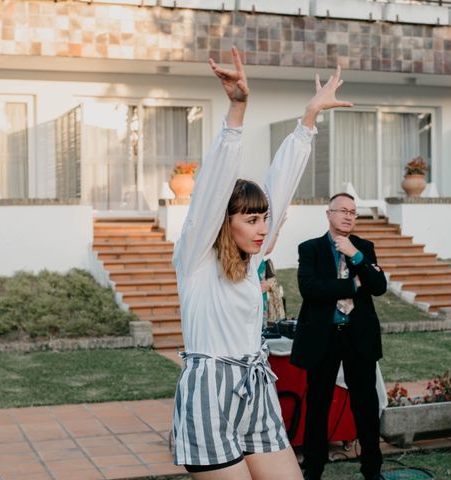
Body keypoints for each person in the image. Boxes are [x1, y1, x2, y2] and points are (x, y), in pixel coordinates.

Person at [172, 45, 352, 479]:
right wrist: (237, 111)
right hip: (209, 392)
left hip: (256, 387)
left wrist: (307, 121)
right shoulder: (195, 257)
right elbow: (211, 189)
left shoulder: (252, 260)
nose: (261, 228)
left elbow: (280, 183)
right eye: (250, 219)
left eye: (264, 220)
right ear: (224, 220)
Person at [290, 192, 388, 480]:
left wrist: (355, 256)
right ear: (328, 214)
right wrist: (353, 284)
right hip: (324, 338)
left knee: (366, 407)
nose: (348, 216)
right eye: (343, 210)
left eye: (353, 212)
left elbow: (379, 285)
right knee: (318, 407)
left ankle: (372, 470)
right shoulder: (310, 249)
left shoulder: (364, 248)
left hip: (358, 338)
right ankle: (314, 470)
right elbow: (310, 289)